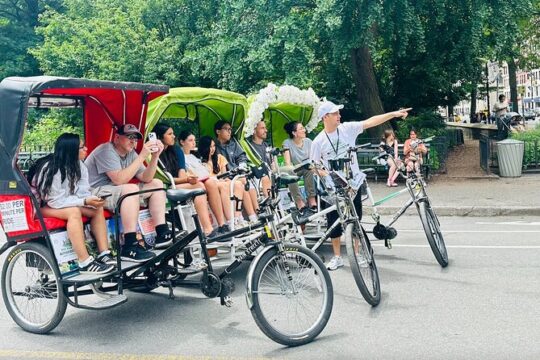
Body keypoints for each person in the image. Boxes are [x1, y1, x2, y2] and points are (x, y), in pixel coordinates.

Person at [310, 100, 410, 270]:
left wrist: (392, 114)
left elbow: (370, 121)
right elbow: (314, 166)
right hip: (333, 188)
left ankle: (357, 254)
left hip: (353, 184)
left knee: (356, 219)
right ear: (325, 117)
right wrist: (327, 173)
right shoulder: (318, 141)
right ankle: (336, 257)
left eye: (338, 113)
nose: (339, 116)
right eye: (335, 114)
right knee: (333, 220)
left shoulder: (347, 129)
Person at [30, 133, 114, 274]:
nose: (86, 149)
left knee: (96, 209)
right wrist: (83, 201)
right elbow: (55, 201)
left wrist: (91, 199)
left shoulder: (79, 165)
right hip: (40, 207)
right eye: (82, 147)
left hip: (59, 203)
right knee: (73, 212)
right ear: (71, 150)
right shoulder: (51, 168)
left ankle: (104, 253)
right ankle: (85, 262)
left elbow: (82, 192)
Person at [85, 124, 170, 262]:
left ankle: (162, 233)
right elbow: (119, 179)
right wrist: (142, 155)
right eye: (129, 137)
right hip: (96, 192)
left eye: (136, 139)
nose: (133, 141)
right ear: (117, 137)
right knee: (130, 189)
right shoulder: (106, 150)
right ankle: (129, 245)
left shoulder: (131, 153)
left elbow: (146, 178)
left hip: (117, 191)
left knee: (157, 184)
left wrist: (154, 157)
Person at [153, 124, 221, 239]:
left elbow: (181, 173)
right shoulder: (154, 154)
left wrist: (187, 179)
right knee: (199, 186)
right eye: (169, 134)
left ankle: (215, 227)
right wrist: (187, 180)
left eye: (173, 133)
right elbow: (164, 179)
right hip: (165, 186)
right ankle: (208, 229)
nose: (173, 136)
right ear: (160, 137)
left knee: (203, 186)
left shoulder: (176, 150)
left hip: (178, 183)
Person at [177, 130, 232, 236]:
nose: (193, 143)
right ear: (182, 142)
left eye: (194, 140)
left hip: (202, 179)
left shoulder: (194, 156)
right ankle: (211, 227)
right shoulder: (180, 156)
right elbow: (185, 174)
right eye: (190, 140)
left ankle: (222, 224)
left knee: (212, 183)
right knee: (208, 184)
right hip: (191, 181)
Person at [198, 135, 257, 227]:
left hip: (221, 180)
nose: (212, 149)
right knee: (225, 186)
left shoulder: (220, 158)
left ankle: (239, 217)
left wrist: (224, 180)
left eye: (214, 146)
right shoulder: (200, 161)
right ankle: (231, 221)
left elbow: (224, 175)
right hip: (211, 184)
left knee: (238, 184)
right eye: (210, 147)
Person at [214, 121, 259, 218]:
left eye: (230, 129)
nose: (229, 132)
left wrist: (242, 167)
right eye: (226, 129)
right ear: (218, 131)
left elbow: (242, 158)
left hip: (238, 174)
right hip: (225, 176)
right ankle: (253, 215)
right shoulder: (214, 147)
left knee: (247, 182)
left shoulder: (234, 144)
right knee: (243, 183)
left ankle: (256, 213)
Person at [282, 121, 317, 214]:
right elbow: (287, 163)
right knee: (289, 171)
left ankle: (311, 199)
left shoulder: (309, 142)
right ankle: (299, 201)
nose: (304, 130)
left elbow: (314, 158)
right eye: (301, 129)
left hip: (307, 168)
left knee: (309, 168)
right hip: (295, 169)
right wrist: (293, 167)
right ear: (294, 133)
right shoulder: (287, 143)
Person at [247, 120, 273, 199]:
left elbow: (272, 163)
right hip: (258, 176)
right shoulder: (250, 147)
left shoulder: (266, 145)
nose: (266, 130)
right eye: (262, 128)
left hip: (270, 174)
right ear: (254, 131)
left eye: (265, 128)